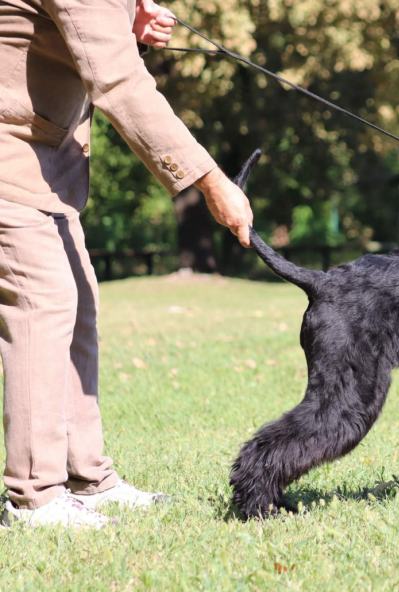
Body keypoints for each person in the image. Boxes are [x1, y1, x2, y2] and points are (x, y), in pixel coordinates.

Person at [0, 0, 253, 529]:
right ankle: (34, 497)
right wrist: (210, 181)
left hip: (43, 166)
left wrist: (128, 14)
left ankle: (86, 478)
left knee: (78, 307)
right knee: (43, 301)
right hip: (10, 160)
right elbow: (118, 82)